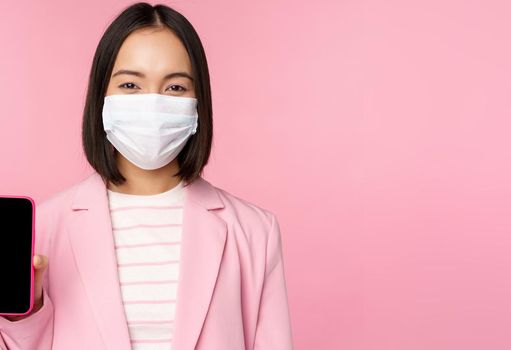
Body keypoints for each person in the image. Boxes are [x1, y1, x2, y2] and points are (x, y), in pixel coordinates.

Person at [0, 2, 294, 349]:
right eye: (130, 85)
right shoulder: (44, 230)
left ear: (199, 103)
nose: (152, 103)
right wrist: (24, 315)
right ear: (101, 97)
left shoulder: (255, 232)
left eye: (175, 88)